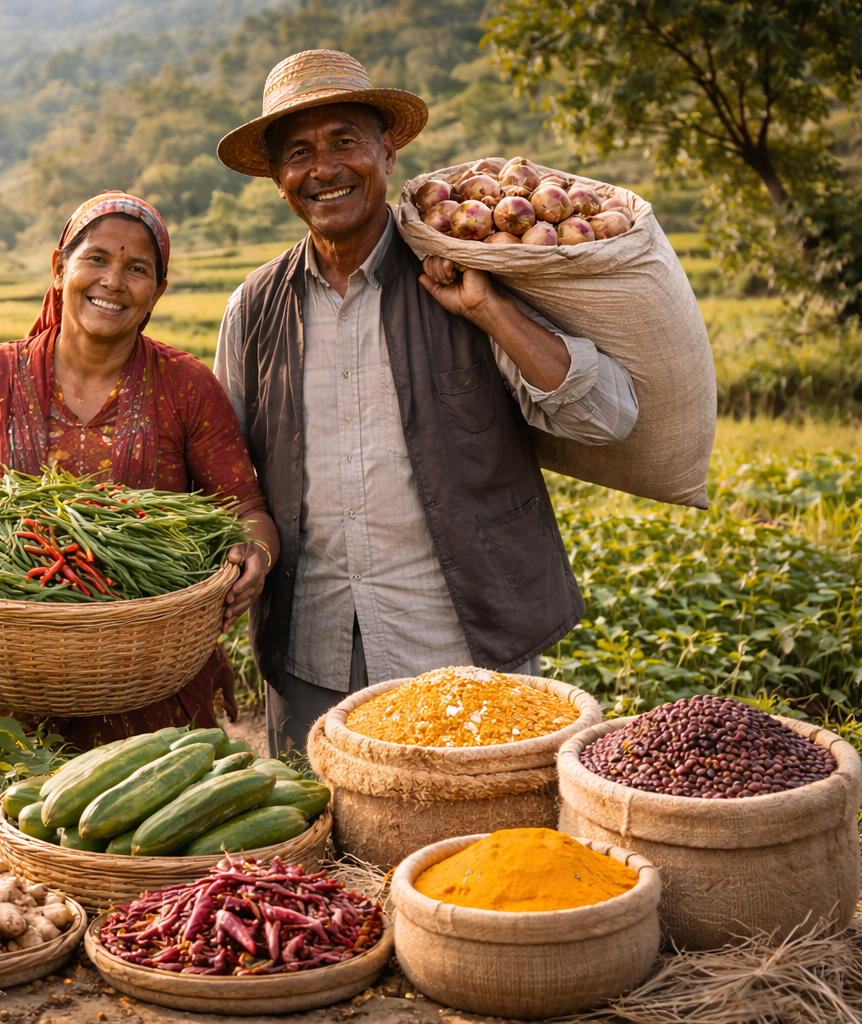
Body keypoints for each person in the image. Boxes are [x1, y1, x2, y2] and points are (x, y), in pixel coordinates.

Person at [211, 50, 641, 755]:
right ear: (279, 179)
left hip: (463, 638)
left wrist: (490, 312)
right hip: (310, 647)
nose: (323, 168)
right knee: (322, 854)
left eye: (345, 141)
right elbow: (229, 478)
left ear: (388, 149)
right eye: (298, 153)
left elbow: (606, 416)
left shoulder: (471, 268)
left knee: (471, 854)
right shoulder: (254, 309)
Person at [0, 191, 280, 748]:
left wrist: (256, 554)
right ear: (60, 267)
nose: (113, 281)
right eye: (96, 259)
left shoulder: (186, 389)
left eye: (137, 269)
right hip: (6, 692)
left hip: (149, 702)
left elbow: (248, 511)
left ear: (157, 292)